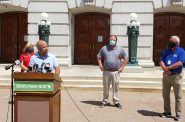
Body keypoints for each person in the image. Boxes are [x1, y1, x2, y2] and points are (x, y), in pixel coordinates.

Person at [97, 35, 128, 109]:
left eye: (113, 40)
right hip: (106, 72)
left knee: (116, 88)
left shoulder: (120, 49)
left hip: (116, 72)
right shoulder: (104, 48)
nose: (112, 41)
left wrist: (122, 67)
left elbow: (126, 58)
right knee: (105, 88)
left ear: (116, 41)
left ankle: (116, 102)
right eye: (111, 39)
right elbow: (98, 57)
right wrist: (100, 65)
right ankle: (105, 101)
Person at [159, 36, 185, 121]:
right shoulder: (167, 50)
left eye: (173, 41)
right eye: (170, 41)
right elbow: (161, 60)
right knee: (165, 95)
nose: (170, 43)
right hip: (166, 76)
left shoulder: (181, 51)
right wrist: (164, 68)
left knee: (178, 96)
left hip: (176, 76)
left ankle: (178, 114)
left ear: (177, 43)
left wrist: (169, 68)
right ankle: (167, 112)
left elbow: (180, 63)